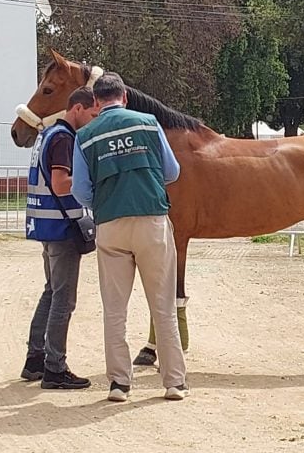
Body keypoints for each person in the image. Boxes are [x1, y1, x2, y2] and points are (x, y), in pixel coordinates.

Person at [71, 72, 189, 402]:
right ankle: (174, 382)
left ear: (95, 102)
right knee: (162, 305)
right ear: (124, 97)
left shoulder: (85, 136)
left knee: (114, 309)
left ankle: (120, 384)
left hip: (111, 225)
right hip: (152, 218)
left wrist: (107, 204)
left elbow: (79, 189)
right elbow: (172, 172)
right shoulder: (149, 123)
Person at [21, 87, 99, 389]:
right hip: (63, 228)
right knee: (64, 300)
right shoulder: (65, 138)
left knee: (51, 292)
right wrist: (92, 183)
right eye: (92, 114)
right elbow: (60, 181)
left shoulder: (47, 135)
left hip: (46, 226)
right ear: (77, 109)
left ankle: (35, 359)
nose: (93, 121)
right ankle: (55, 367)